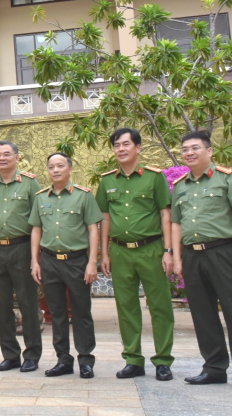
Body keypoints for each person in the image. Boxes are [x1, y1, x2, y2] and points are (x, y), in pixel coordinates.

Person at [171, 131, 232, 391]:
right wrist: (177, 258)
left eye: (195, 148)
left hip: (224, 252)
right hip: (192, 255)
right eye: (185, 149)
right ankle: (213, 368)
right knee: (203, 314)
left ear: (209, 151)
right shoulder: (180, 186)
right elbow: (176, 224)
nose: (189, 153)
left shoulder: (228, 178)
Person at [95, 128, 174, 381]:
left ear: (138, 147)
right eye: (117, 145)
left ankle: (163, 361)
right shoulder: (107, 181)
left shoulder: (154, 177)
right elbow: (104, 218)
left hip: (151, 249)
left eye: (126, 144)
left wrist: (168, 250)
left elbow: (165, 214)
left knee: (160, 305)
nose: (121, 149)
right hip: (120, 252)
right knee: (126, 307)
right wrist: (104, 253)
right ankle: (133, 360)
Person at [29, 153, 102, 379]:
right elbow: (36, 229)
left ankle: (86, 360)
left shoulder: (83, 195)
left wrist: (92, 262)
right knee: (56, 312)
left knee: (82, 311)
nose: (55, 170)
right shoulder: (41, 197)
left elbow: (93, 229)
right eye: (51, 167)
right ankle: (63, 359)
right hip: (49, 261)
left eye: (60, 166)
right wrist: (35, 261)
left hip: (77, 261)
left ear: (70, 169)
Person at [0, 141, 43, 373]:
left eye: (7, 154)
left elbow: (38, 220)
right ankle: (10, 355)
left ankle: (32, 355)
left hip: (22, 247)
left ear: (17, 158)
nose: (1, 158)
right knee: (1, 305)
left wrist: (36, 256)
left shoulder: (30, 183)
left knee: (27, 303)